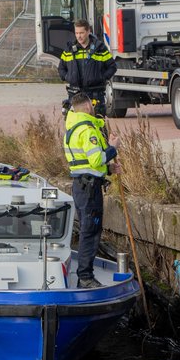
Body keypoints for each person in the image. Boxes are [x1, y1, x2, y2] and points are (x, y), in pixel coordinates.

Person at [62, 91, 120, 289]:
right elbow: (96, 159)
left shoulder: (72, 128)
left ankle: (84, 274)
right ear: (87, 106)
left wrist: (109, 169)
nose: (94, 107)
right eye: (92, 104)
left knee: (88, 230)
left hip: (81, 186)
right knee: (90, 232)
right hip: (89, 190)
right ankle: (85, 277)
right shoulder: (87, 130)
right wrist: (113, 148)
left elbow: (86, 164)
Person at [58, 19, 116, 117]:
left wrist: (101, 78)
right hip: (75, 94)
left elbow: (112, 67)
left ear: (88, 31)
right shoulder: (69, 49)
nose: (79, 36)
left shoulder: (99, 49)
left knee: (98, 125)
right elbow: (61, 68)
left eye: (81, 33)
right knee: (75, 126)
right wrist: (68, 77)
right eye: (76, 33)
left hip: (95, 94)